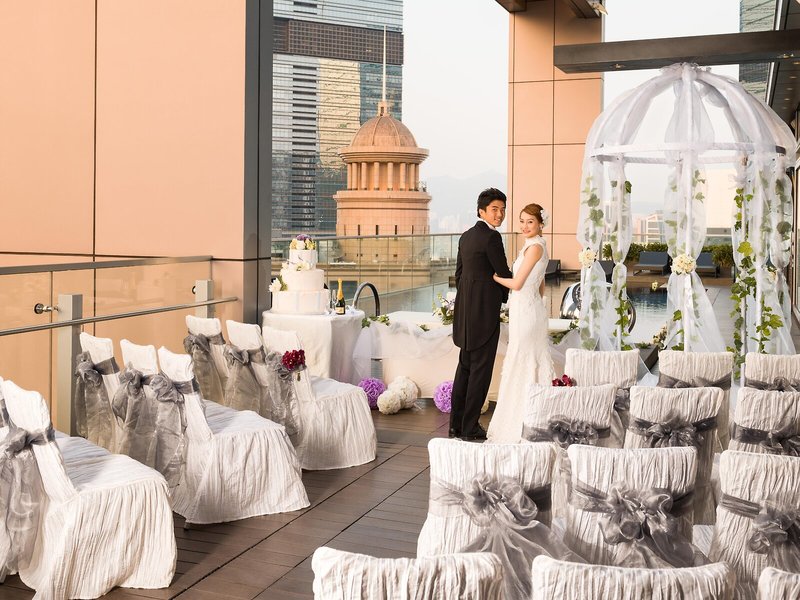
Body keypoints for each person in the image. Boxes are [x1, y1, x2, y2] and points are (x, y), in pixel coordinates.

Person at [486, 202, 555, 443]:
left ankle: (525, 419)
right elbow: (541, 284)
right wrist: (533, 300)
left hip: (526, 313)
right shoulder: (536, 245)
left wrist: (494, 277)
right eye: (522, 221)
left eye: (530, 222)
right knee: (527, 360)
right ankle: (532, 415)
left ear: (540, 224)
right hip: (528, 310)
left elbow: (516, 284)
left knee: (522, 361)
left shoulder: (535, 247)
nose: (525, 226)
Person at [450, 188, 513, 441]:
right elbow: (503, 273)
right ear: (481, 211)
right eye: (495, 209)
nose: (500, 214)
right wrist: (503, 296)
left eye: (503, 210)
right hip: (484, 315)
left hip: (465, 315)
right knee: (480, 373)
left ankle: (455, 426)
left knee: (464, 369)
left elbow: (459, 276)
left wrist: (470, 298)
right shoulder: (492, 238)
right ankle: (470, 428)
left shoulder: (465, 236)